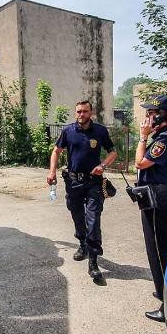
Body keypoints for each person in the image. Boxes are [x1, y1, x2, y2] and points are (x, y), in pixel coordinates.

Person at [48, 100, 117, 280]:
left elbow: (112, 152)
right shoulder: (68, 131)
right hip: (73, 182)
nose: (81, 114)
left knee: (93, 219)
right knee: (77, 215)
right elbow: (56, 151)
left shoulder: (100, 131)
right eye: (78, 111)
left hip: (94, 182)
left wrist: (103, 165)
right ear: (75, 113)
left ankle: (93, 260)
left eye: (85, 111)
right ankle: (82, 244)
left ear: (91, 113)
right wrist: (52, 171)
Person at [135, 95, 167, 322]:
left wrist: (142, 137)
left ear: (162, 115)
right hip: (154, 195)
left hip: (158, 197)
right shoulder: (163, 137)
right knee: (155, 246)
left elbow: (141, 163)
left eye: (151, 112)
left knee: (159, 248)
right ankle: (162, 288)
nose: (146, 116)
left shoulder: (164, 139)